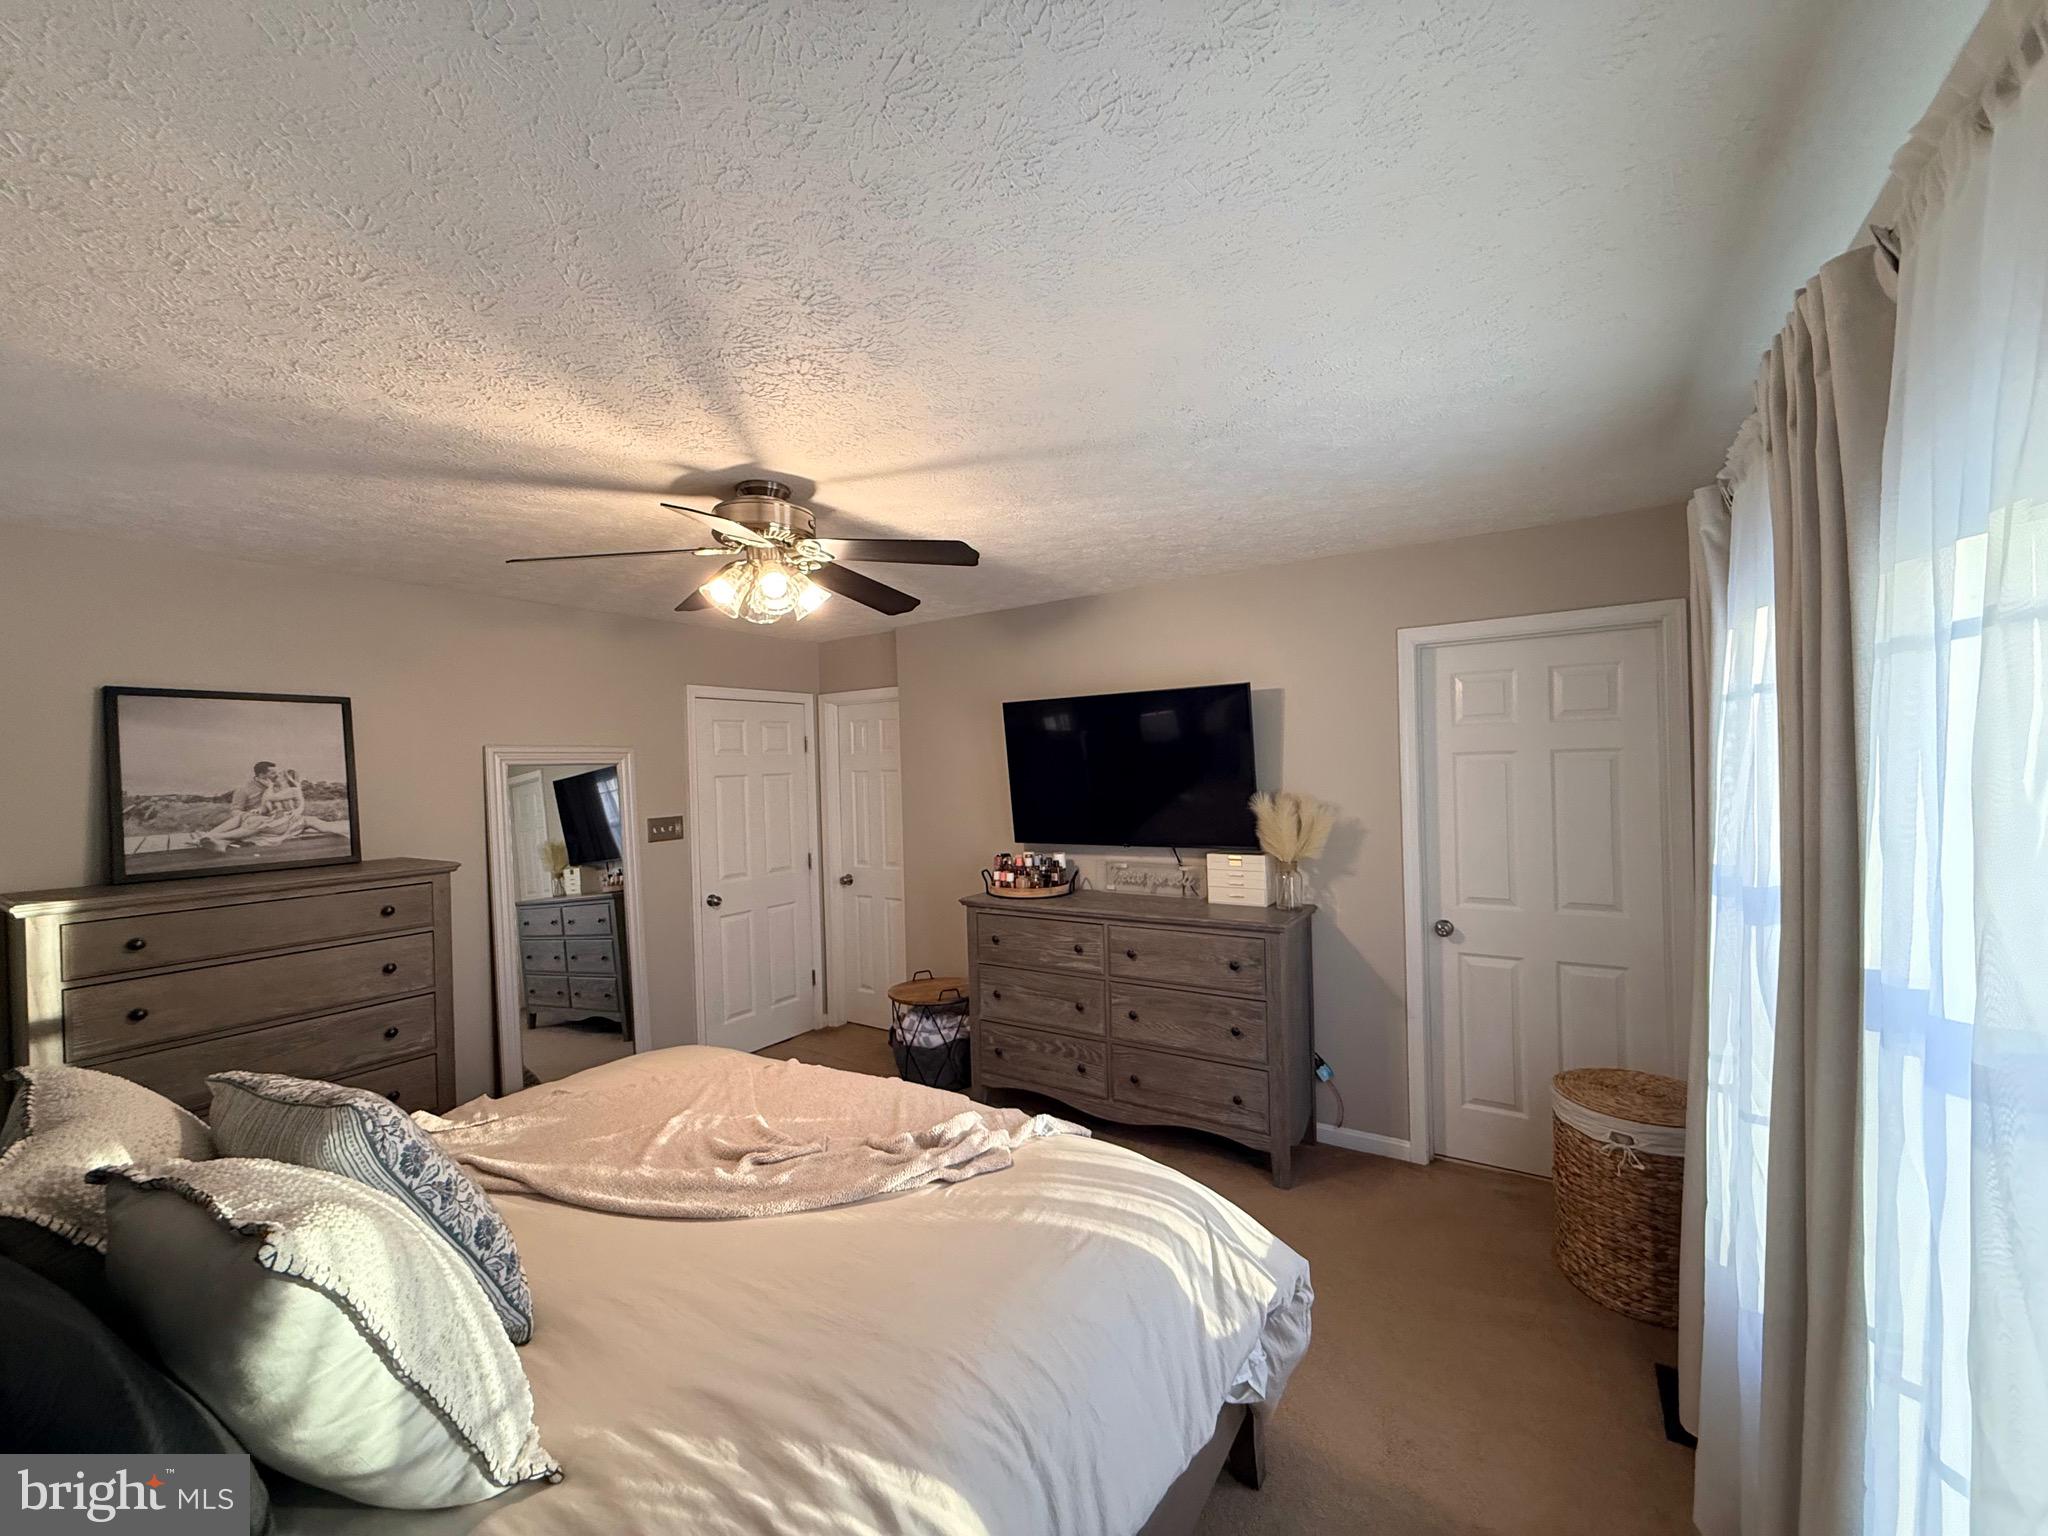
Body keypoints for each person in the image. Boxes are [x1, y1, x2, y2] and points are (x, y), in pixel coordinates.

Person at [196, 761, 277, 848]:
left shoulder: (277, 785)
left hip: (271, 819)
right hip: (250, 820)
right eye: (273, 773)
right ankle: (209, 838)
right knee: (249, 821)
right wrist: (247, 815)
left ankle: (208, 837)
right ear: (261, 775)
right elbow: (235, 810)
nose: (277, 775)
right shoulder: (244, 789)